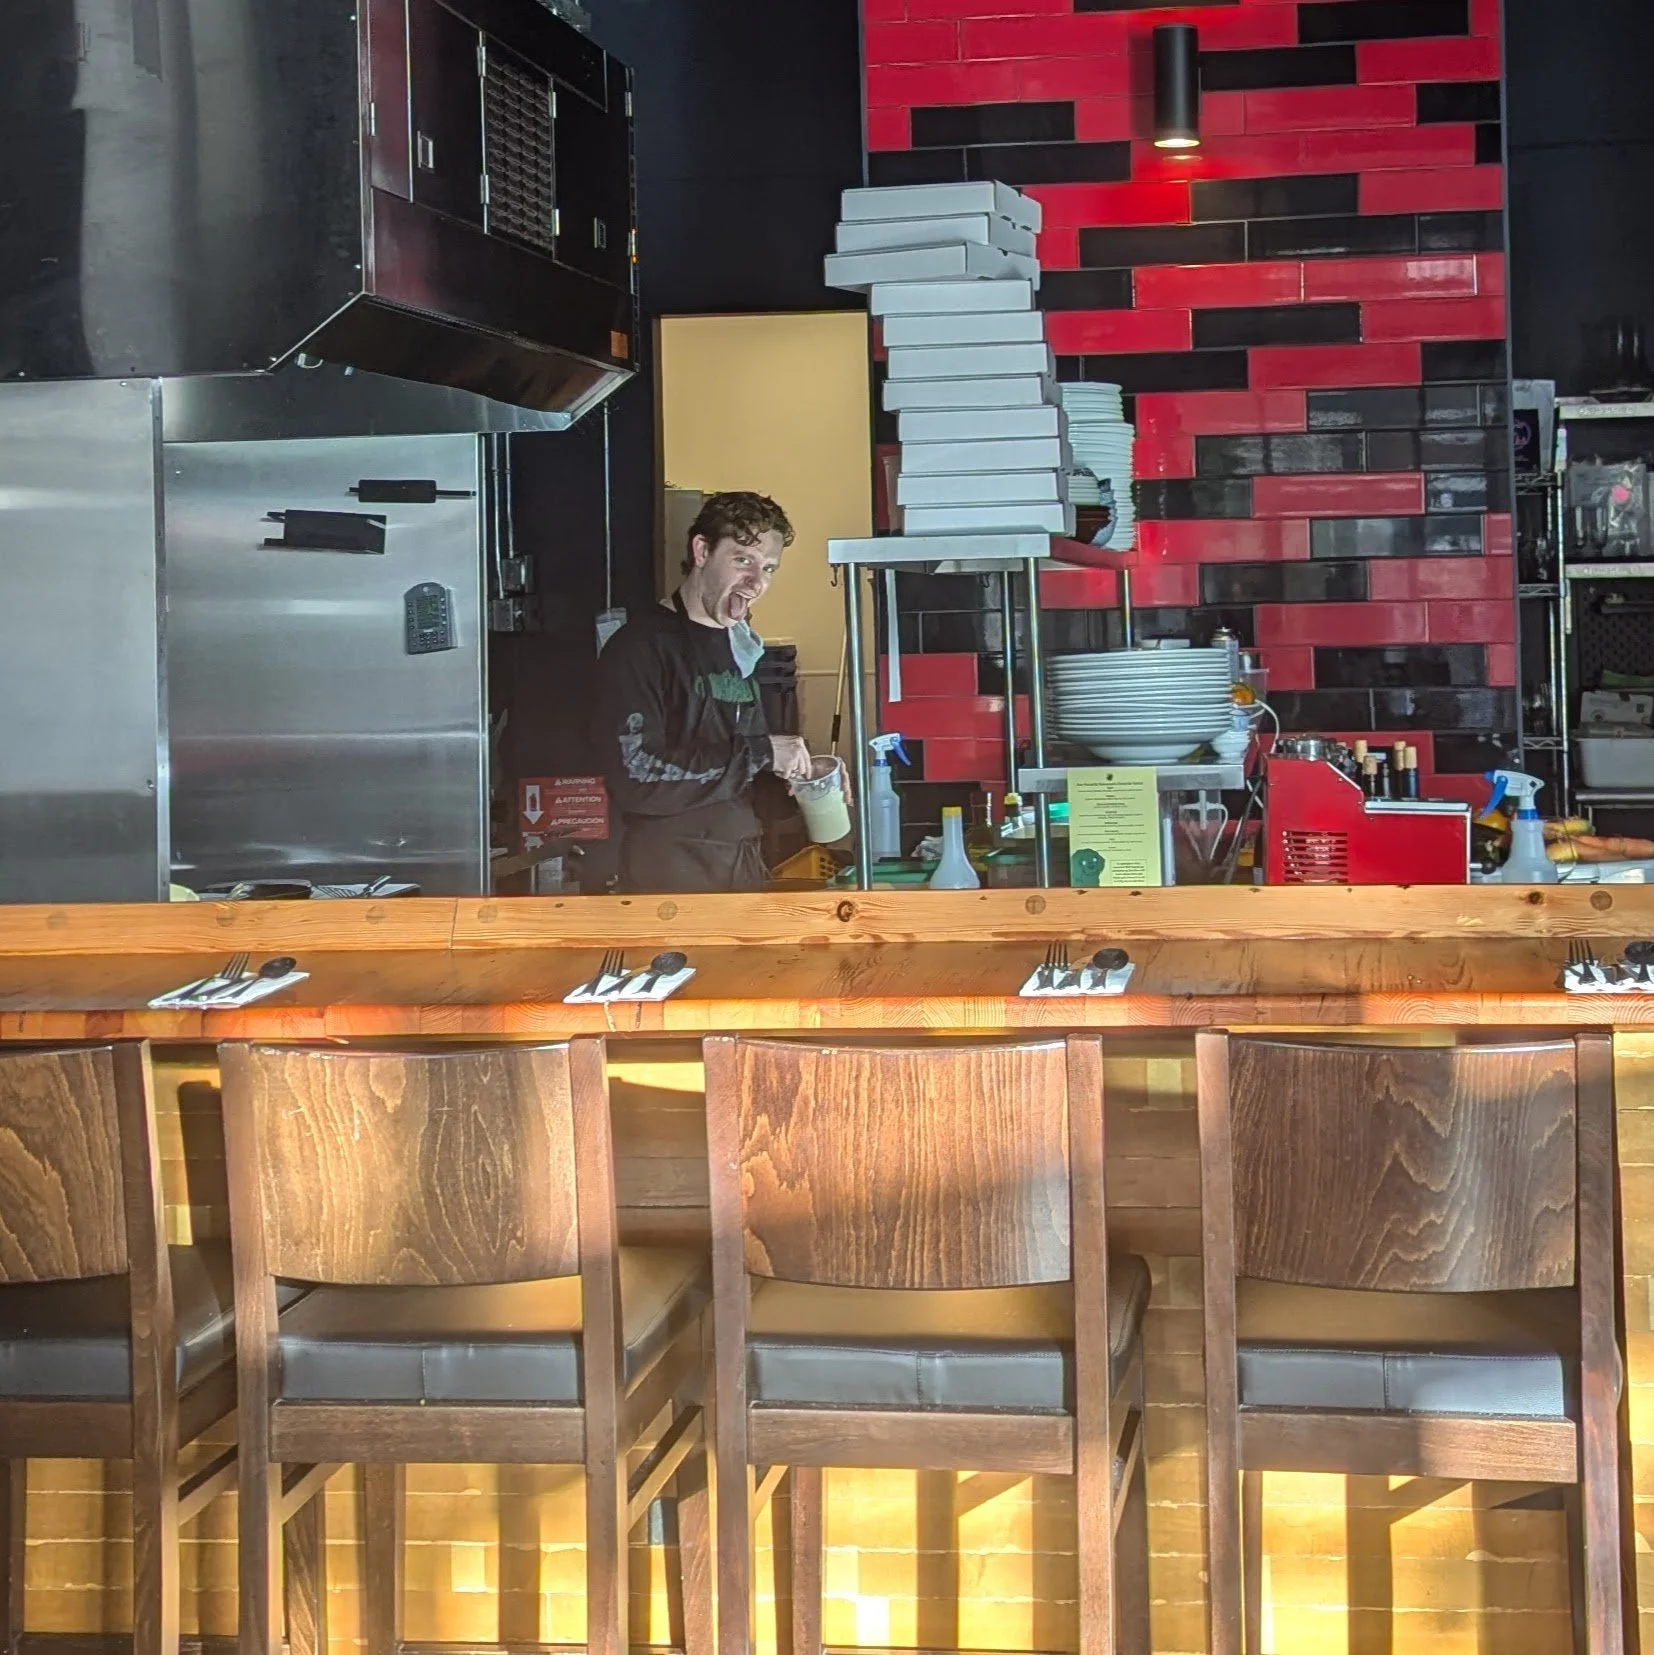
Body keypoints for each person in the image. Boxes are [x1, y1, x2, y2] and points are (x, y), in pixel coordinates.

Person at [595, 491, 815, 893]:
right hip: (668, 883)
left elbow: (743, 769)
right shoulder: (641, 647)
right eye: (743, 560)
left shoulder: (741, 649)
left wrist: (801, 775)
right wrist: (763, 752)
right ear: (701, 550)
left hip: (739, 869)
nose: (756, 582)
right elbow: (636, 776)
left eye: (768, 568)